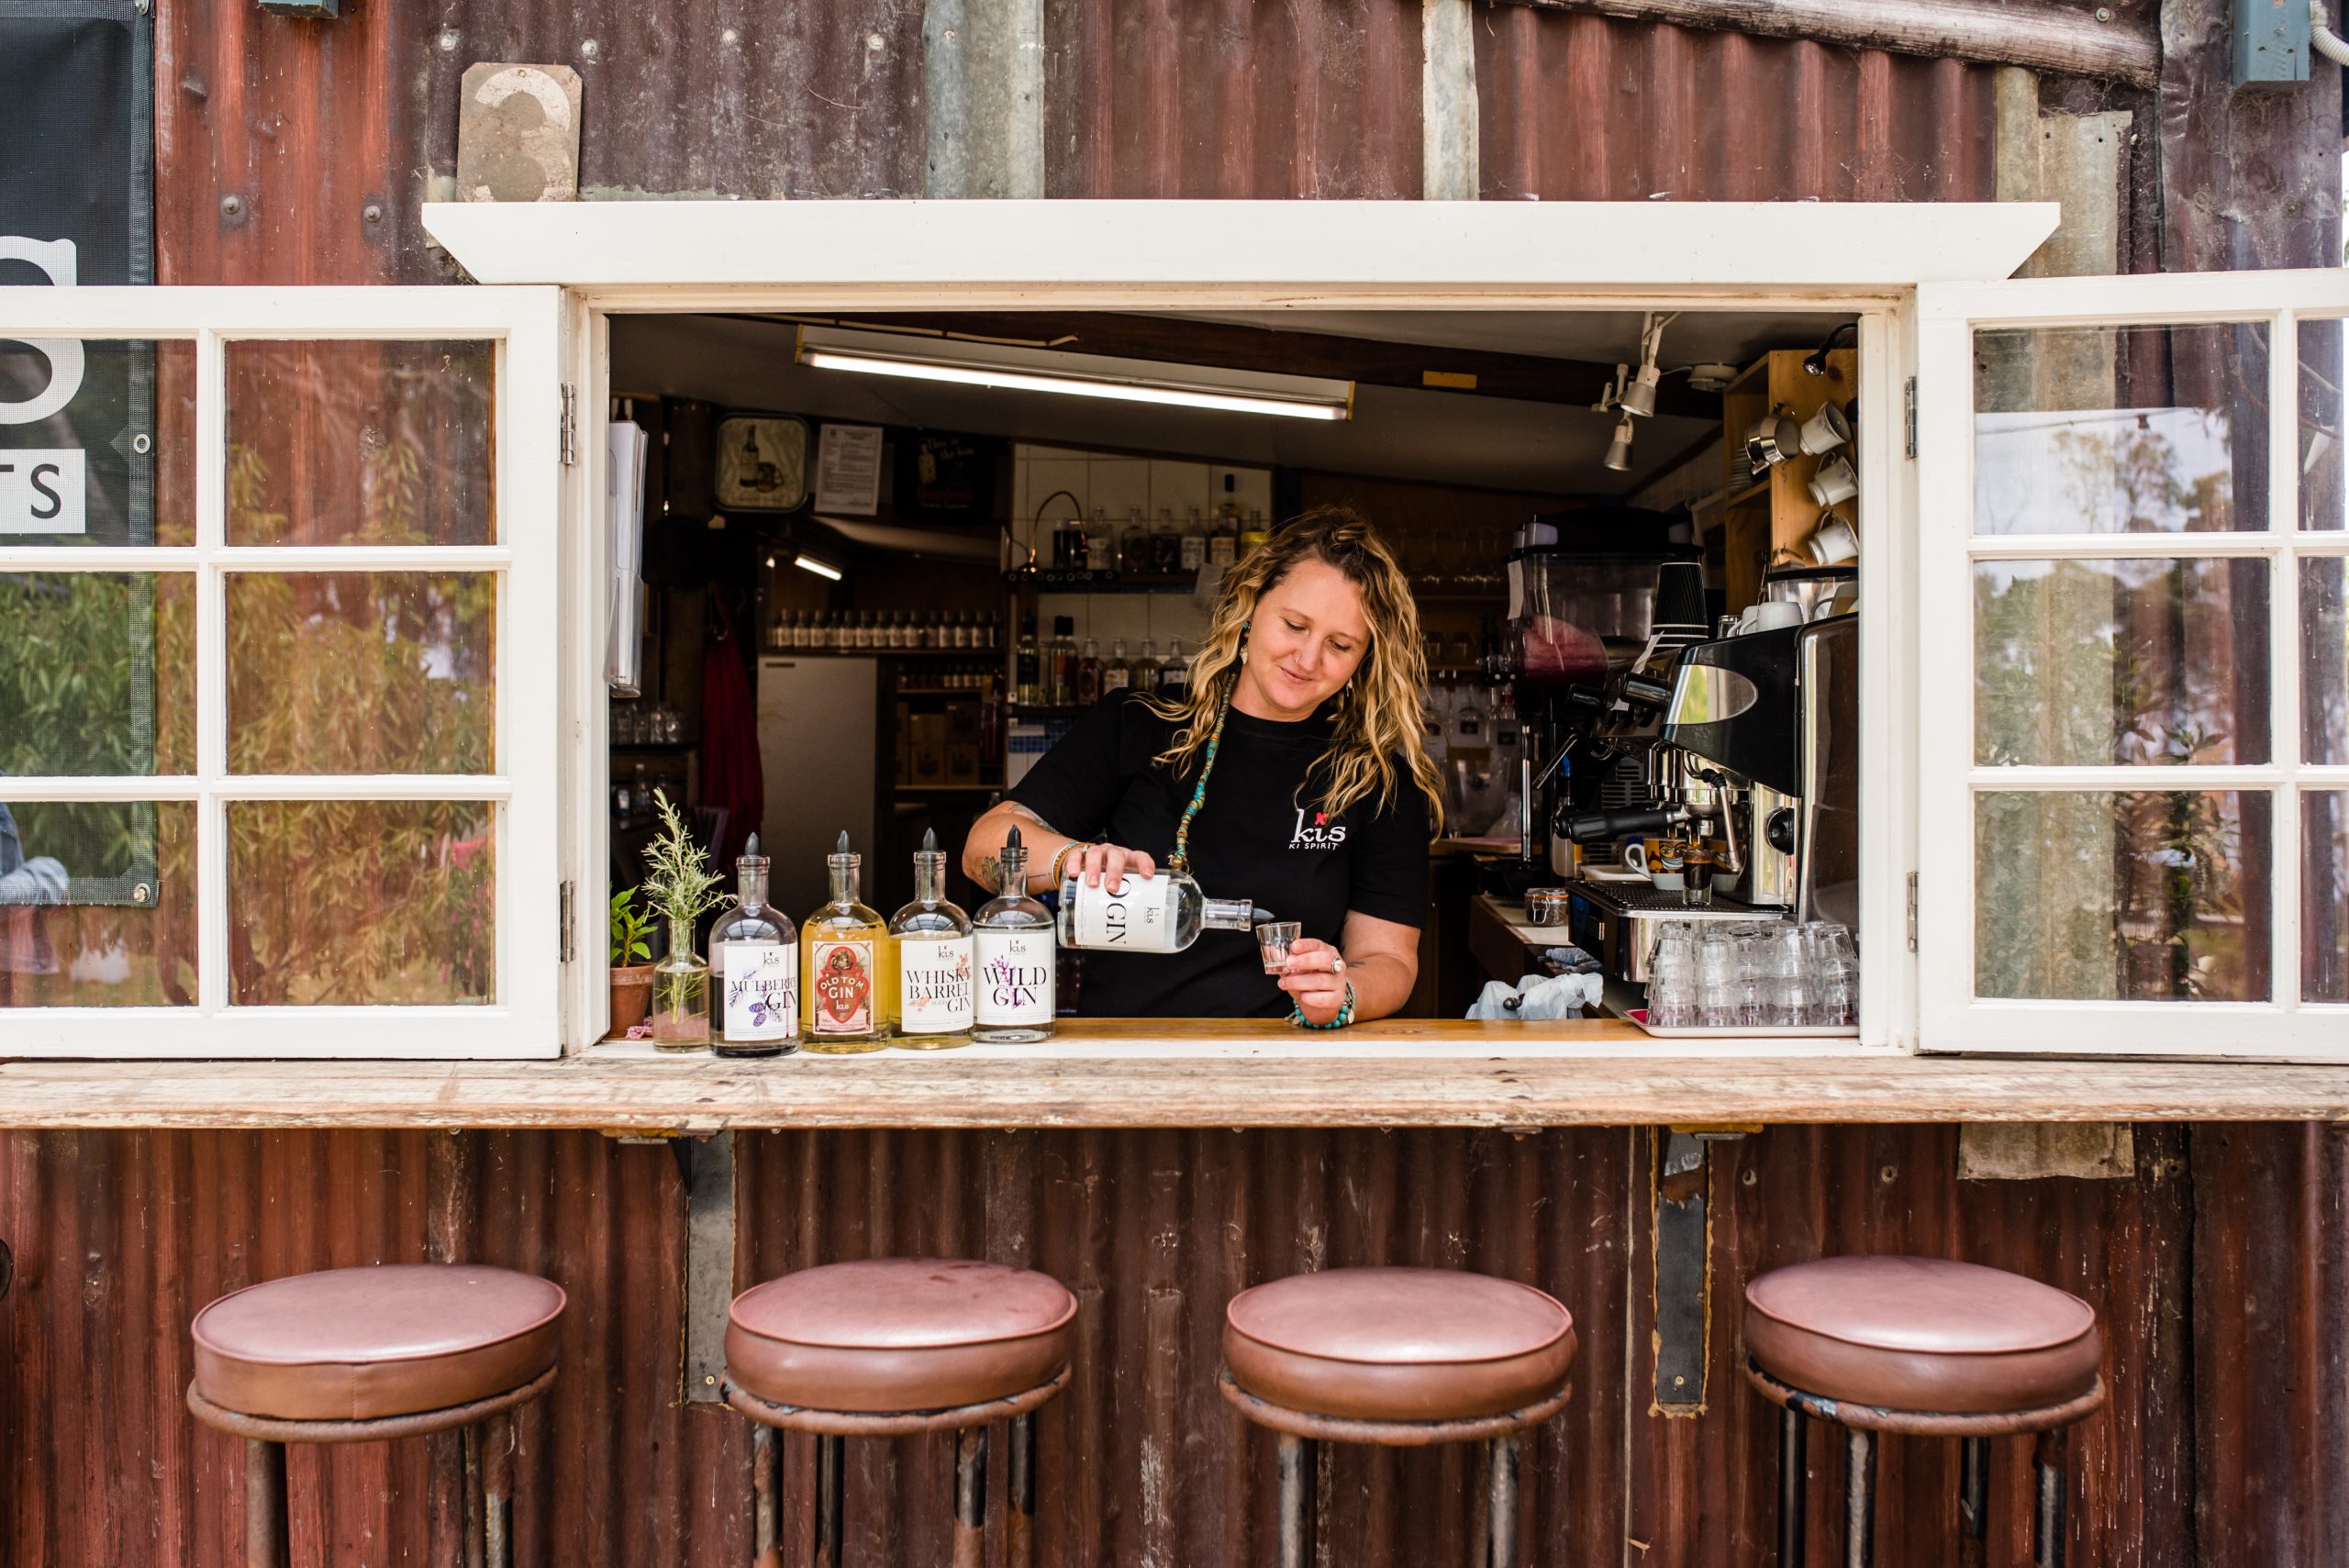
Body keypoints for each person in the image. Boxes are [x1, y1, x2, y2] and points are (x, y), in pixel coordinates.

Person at [963, 506, 1444, 1024]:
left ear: (1364, 659)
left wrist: (1345, 993)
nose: (1307, 658)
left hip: (1285, 1064)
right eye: (1294, 625)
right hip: (1123, 1058)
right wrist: (1068, 860)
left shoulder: (1375, 779)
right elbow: (982, 848)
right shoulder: (1139, 724)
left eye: (1339, 645)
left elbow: (1390, 959)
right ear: (1250, 607)